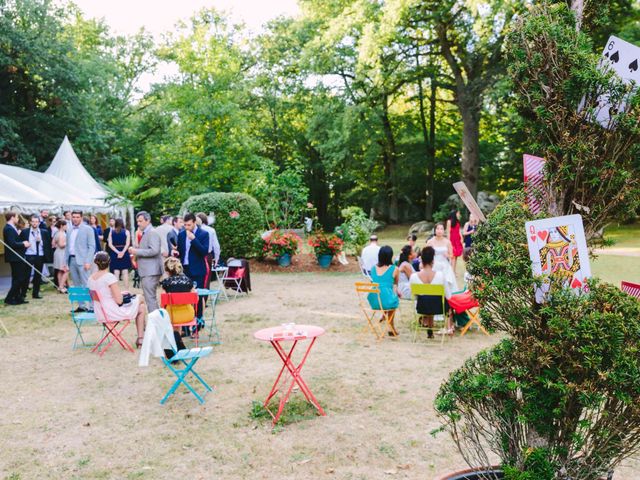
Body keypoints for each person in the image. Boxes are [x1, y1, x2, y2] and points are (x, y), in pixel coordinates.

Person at [87, 251, 146, 348]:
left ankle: (141, 338)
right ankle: (143, 333)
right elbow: (119, 301)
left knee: (142, 308)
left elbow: (104, 295)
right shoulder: (109, 277)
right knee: (140, 298)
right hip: (111, 312)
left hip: (100, 312)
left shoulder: (91, 278)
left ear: (95, 263)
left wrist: (122, 294)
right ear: (109, 262)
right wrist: (124, 296)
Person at [409, 246, 453, 337]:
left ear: (422, 261)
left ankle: (430, 328)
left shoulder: (414, 276)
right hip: (438, 307)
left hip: (421, 307)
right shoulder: (440, 275)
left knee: (427, 298)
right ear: (433, 261)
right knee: (440, 302)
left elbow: (412, 294)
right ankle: (449, 327)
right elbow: (448, 296)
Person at [128, 211, 163, 313]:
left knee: (150, 299)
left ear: (148, 221)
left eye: (140, 221)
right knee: (150, 298)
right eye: (137, 221)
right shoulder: (147, 232)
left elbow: (154, 250)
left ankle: (156, 322)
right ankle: (156, 321)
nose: (138, 223)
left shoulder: (152, 232)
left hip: (151, 270)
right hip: (148, 270)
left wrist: (136, 251)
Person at [177, 213, 210, 318]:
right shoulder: (181, 234)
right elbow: (181, 251)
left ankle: (199, 321)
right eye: (185, 225)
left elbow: (204, 252)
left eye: (189, 225)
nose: (186, 227)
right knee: (185, 297)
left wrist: (194, 240)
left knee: (198, 297)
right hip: (184, 269)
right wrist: (176, 253)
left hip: (197, 269)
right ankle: (187, 321)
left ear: (195, 222)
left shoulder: (204, 234)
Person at [159, 257, 194, 353]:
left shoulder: (166, 283)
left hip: (173, 315)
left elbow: (163, 302)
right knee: (178, 320)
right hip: (188, 314)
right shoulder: (188, 281)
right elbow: (196, 298)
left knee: (171, 318)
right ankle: (179, 341)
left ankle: (175, 343)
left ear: (167, 270)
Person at [367, 245, 400, 336]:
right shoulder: (395, 269)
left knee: (386, 296)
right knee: (392, 300)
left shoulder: (373, 268)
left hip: (373, 300)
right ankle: (391, 327)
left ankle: (384, 315)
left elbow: (373, 282)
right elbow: (395, 284)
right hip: (386, 300)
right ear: (391, 256)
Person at [65, 210, 96, 296]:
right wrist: (65, 262)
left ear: (81, 218)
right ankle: (81, 305)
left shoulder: (88, 229)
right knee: (76, 284)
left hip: (83, 261)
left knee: (87, 284)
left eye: (77, 217)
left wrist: (88, 261)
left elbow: (92, 247)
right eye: (73, 217)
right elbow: (67, 247)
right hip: (71, 260)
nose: (75, 219)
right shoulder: (69, 230)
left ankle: (91, 306)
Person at [21, 214, 52, 299]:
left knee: (38, 276)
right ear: (30, 222)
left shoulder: (44, 232)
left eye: (36, 222)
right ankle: (23, 294)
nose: (35, 223)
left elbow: (47, 245)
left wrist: (40, 241)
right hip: (29, 255)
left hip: (40, 255)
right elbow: (21, 243)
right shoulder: (25, 232)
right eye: (33, 221)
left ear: (39, 222)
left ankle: (36, 293)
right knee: (26, 275)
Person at [3, 212, 30, 305]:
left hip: (17, 256)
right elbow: (12, 244)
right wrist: (24, 244)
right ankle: (9, 298)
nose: (18, 219)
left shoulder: (11, 228)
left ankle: (17, 298)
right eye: (17, 217)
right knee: (19, 278)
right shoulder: (8, 229)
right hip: (15, 257)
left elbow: (14, 240)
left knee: (17, 278)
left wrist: (18, 236)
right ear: (12, 217)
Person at [426, 222, 458, 294]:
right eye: (437, 229)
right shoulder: (430, 242)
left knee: (447, 283)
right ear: (435, 230)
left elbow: (452, 256)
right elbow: (425, 255)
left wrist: (448, 255)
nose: (439, 231)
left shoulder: (447, 242)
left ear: (444, 231)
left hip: (445, 265)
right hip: (434, 264)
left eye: (441, 229)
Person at [107, 218, 132, 290]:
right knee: (125, 272)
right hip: (124, 252)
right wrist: (123, 252)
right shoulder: (127, 232)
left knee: (116, 273)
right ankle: (127, 290)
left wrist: (117, 252)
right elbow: (127, 244)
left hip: (115, 253)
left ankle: (116, 290)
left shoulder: (111, 232)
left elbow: (110, 244)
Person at [52, 220, 69, 293]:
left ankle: (60, 286)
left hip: (58, 252)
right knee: (66, 270)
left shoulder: (57, 233)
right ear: (62, 226)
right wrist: (68, 243)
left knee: (60, 270)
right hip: (62, 253)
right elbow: (61, 245)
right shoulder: (62, 234)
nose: (67, 227)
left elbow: (53, 244)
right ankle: (61, 286)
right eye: (65, 225)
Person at [446, 209, 464, 275]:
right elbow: (448, 232)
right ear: (455, 214)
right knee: (452, 256)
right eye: (458, 213)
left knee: (456, 256)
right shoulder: (449, 221)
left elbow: (459, 231)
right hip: (452, 240)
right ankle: (452, 272)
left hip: (457, 240)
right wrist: (448, 242)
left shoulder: (457, 222)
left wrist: (461, 238)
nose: (459, 215)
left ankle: (454, 270)